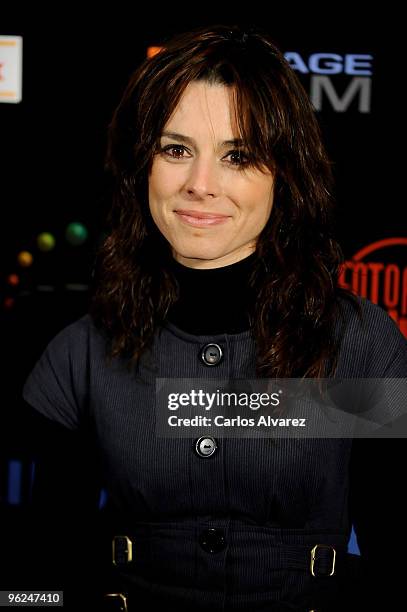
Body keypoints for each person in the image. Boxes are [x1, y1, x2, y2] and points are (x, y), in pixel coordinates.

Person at [21, 24, 407, 612]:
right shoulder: (80, 354)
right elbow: (39, 575)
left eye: (238, 155)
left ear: (284, 173)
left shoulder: (361, 345)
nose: (200, 185)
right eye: (176, 150)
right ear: (141, 165)